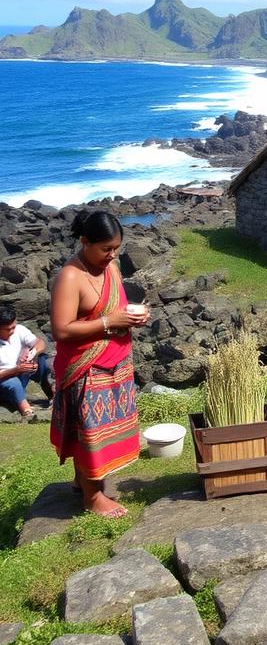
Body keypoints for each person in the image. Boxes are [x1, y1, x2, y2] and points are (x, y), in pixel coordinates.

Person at [50, 209, 149, 518]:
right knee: (89, 431)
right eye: (106, 248)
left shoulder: (111, 269)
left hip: (115, 362)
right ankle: (93, 498)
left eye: (116, 248)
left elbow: (116, 310)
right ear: (84, 241)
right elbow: (62, 329)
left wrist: (135, 317)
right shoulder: (70, 276)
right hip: (87, 367)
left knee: (103, 428)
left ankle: (83, 483)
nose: (112, 254)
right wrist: (110, 321)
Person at [0, 305, 54, 422]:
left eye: (13, 327)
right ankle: (27, 412)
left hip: (22, 373)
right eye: (7, 329)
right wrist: (16, 370)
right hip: (5, 383)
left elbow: (40, 343)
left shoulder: (19, 330)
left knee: (43, 361)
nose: (12, 331)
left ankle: (53, 398)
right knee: (13, 383)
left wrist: (32, 355)